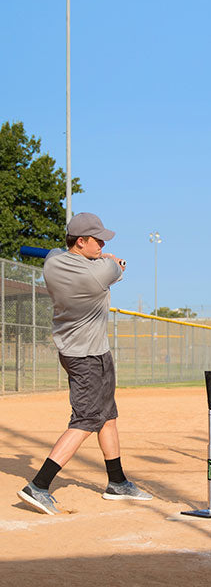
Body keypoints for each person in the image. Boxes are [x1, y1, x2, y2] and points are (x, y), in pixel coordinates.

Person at [17, 212, 152, 515]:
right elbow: (116, 268)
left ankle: (117, 482)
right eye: (98, 239)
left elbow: (60, 254)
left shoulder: (52, 263)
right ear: (80, 242)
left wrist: (102, 259)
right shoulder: (99, 273)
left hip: (79, 352)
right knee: (86, 419)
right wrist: (116, 263)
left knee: (107, 415)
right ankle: (39, 485)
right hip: (89, 357)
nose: (103, 244)